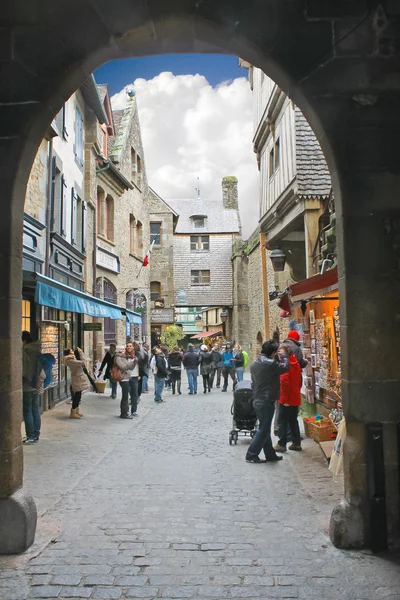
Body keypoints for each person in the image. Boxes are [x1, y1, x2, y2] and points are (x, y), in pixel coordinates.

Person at [245, 340, 289, 464]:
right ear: (273, 352)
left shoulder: (255, 363)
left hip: (257, 398)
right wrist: (284, 357)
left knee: (264, 427)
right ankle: (251, 454)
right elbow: (285, 368)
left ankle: (270, 454)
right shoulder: (270, 363)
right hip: (266, 399)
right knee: (263, 429)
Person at [274, 344, 303, 452]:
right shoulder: (295, 363)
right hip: (294, 398)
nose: (279, 354)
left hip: (287, 399)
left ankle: (282, 444)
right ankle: (296, 443)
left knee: (282, 421)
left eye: (280, 352)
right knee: (293, 421)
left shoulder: (287, 366)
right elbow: (299, 381)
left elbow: (284, 383)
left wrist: (285, 400)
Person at [22, 331, 41, 443]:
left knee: (27, 410)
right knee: (35, 409)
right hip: (37, 383)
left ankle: (30, 435)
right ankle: (36, 434)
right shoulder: (37, 349)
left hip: (27, 384)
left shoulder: (25, 351)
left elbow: (23, 369)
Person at [115, 342, 139, 418]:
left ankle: (127, 412)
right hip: (123, 378)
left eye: (123, 348)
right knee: (125, 396)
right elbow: (124, 367)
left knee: (128, 395)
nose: (122, 350)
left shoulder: (123, 357)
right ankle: (124, 413)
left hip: (127, 378)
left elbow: (130, 367)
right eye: (121, 349)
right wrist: (131, 362)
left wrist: (134, 362)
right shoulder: (118, 357)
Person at [64, 347, 89, 419]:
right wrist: (81, 353)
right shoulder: (70, 360)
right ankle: (73, 412)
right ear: (69, 353)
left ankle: (76, 410)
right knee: (76, 396)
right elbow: (82, 362)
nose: (72, 352)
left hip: (78, 378)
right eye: (71, 351)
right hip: (77, 379)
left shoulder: (72, 359)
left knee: (79, 395)